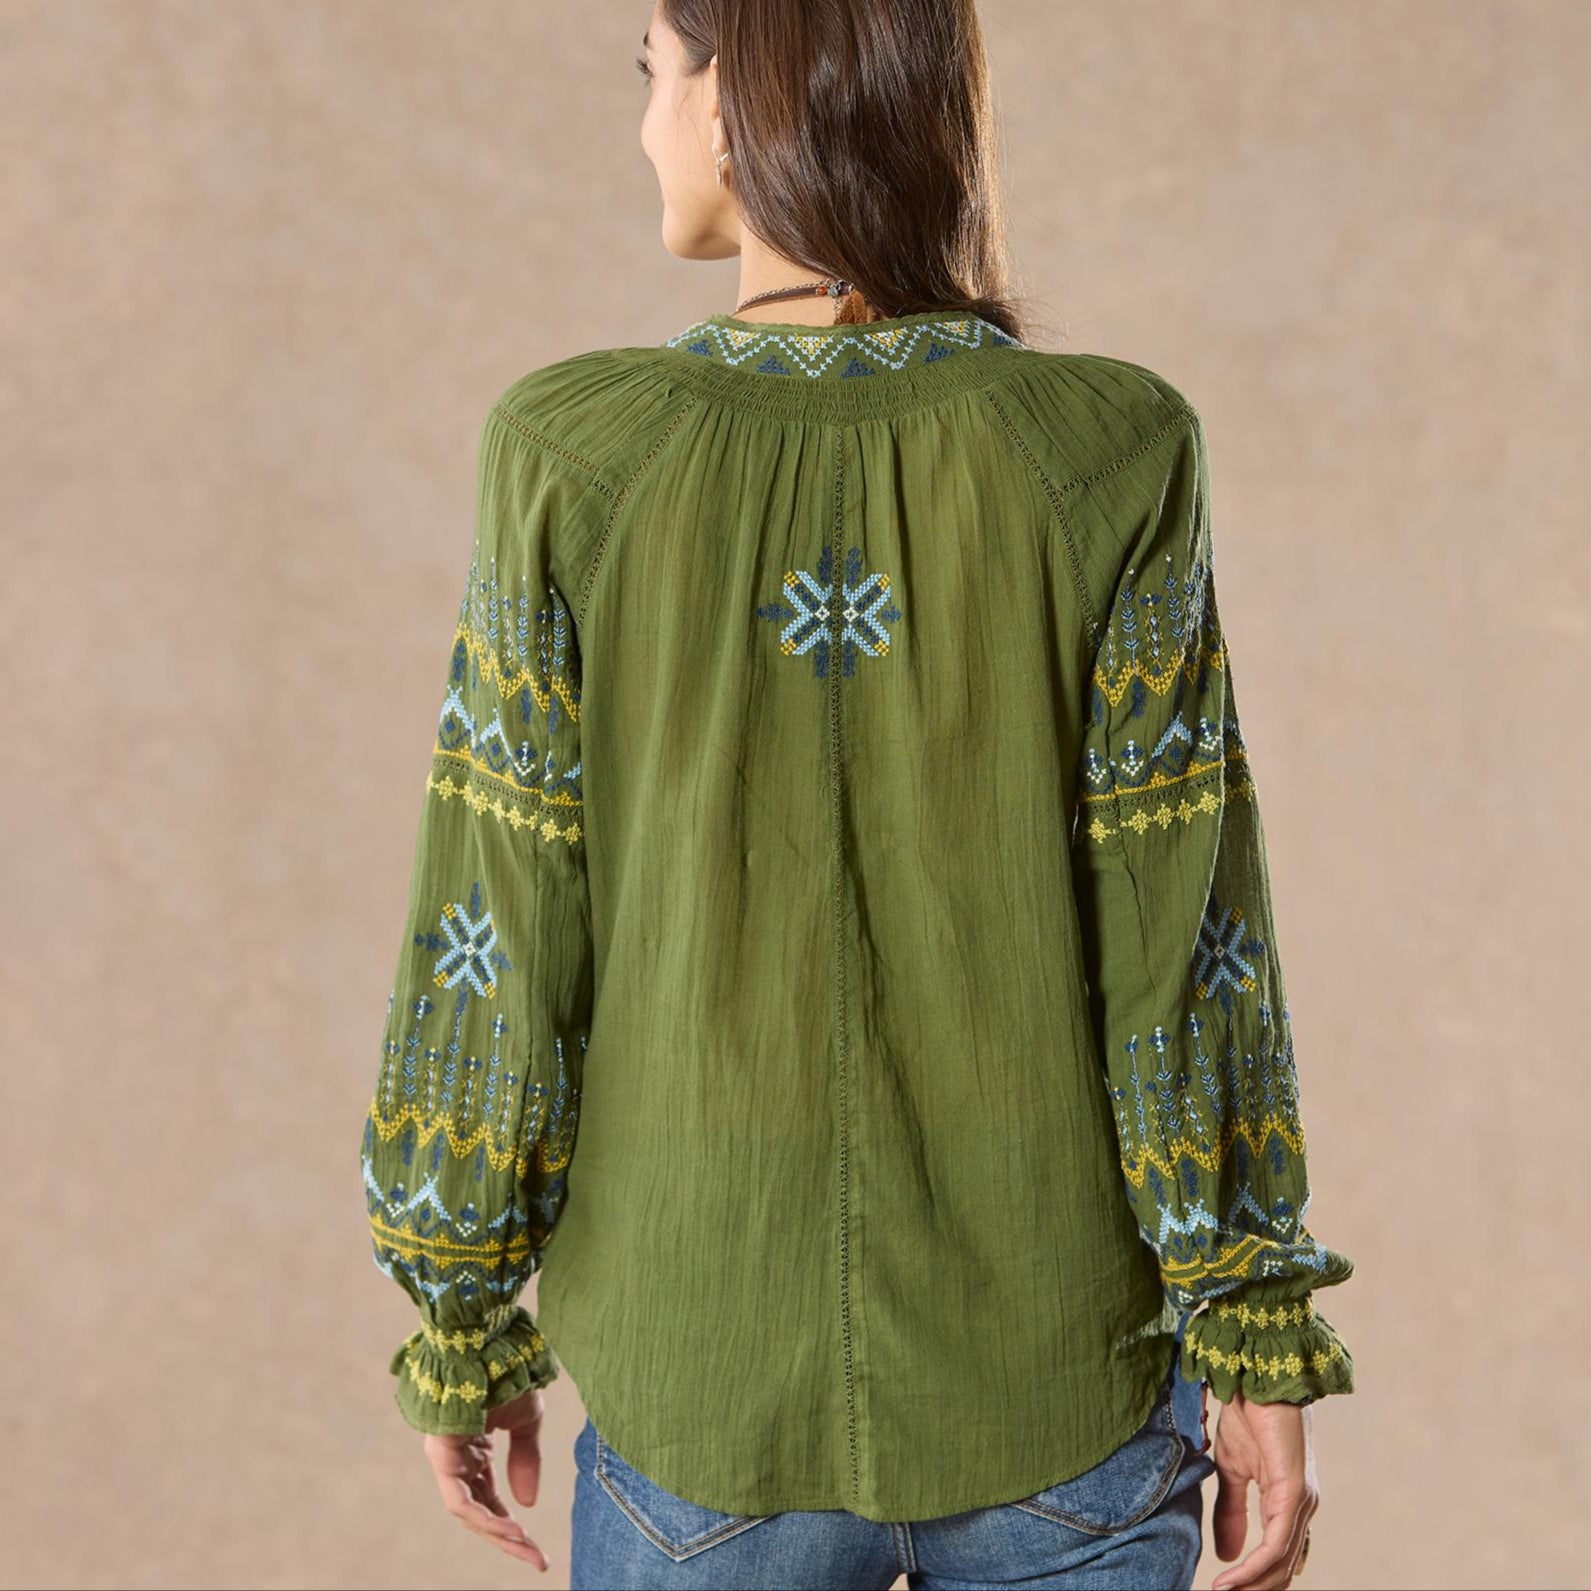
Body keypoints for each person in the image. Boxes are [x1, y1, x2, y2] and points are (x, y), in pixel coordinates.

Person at [357, 2, 1354, 1587]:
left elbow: (504, 926)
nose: (645, 128)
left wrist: (461, 1320)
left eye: (654, 78)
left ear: (732, 103)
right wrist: (1252, 1328)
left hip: (703, 1388)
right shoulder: (1107, 448)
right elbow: (1186, 934)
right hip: (1062, 1387)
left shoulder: (570, 456)